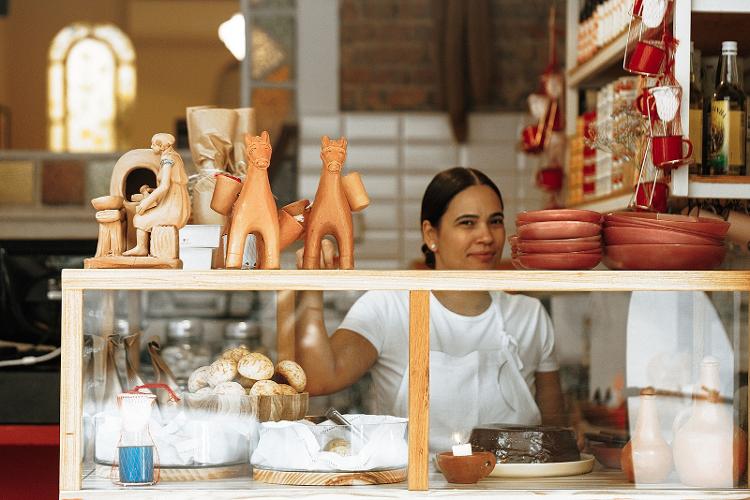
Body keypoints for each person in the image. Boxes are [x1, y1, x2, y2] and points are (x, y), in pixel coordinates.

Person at [295, 167, 566, 451]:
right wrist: (311, 286)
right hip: (416, 488)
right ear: (430, 234)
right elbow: (318, 379)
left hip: (512, 489)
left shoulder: (529, 315)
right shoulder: (389, 306)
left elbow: (555, 434)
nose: (486, 236)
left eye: (495, 221)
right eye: (467, 223)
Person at [124, 133, 190, 256]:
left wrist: (146, 202)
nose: (151, 146)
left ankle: (141, 248)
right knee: (143, 216)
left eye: (153, 144)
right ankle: (141, 247)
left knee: (139, 218)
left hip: (173, 208)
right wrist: (151, 191)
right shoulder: (172, 157)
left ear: (162, 146)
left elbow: (165, 186)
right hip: (172, 203)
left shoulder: (167, 160)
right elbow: (168, 186)